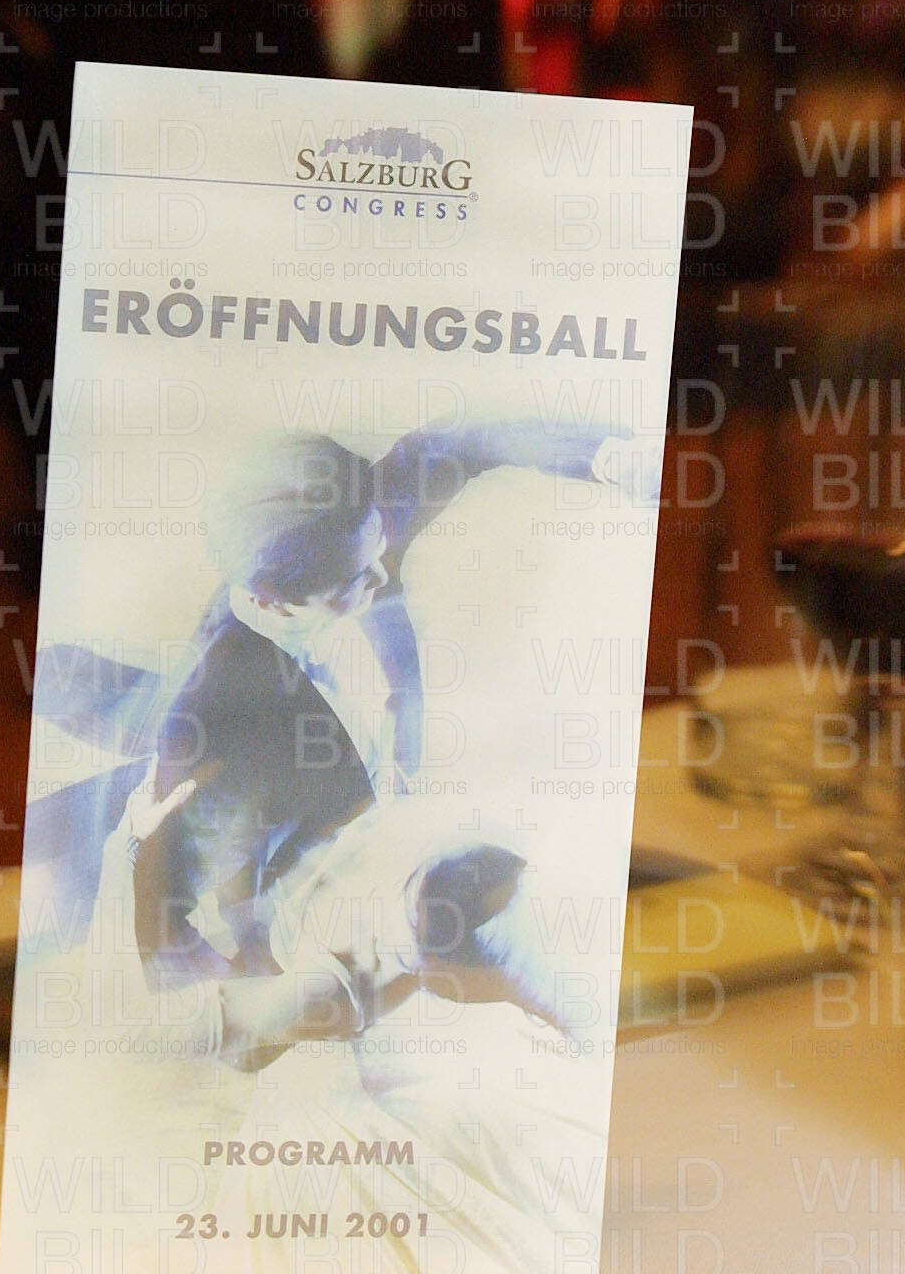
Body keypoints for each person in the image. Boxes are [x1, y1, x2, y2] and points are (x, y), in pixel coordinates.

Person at [133, 417, 639, 986]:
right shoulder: (206, 722)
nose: (383, 573)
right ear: (271, 600)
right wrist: (263, 972)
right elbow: (165, 940)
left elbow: (462, 438)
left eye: (379, 548)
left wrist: (611, 459)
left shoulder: (352, 515)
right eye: (356, 579)